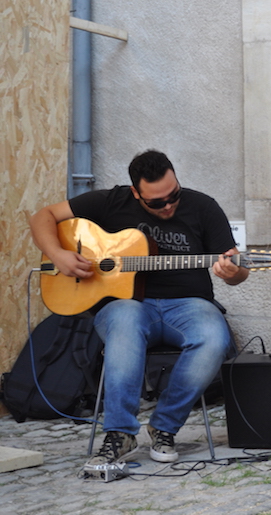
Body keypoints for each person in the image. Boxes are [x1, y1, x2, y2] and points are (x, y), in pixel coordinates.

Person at [29, 149, 249, 466]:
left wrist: (235, 271)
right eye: (157, 202)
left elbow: (236, 272)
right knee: (125, 328)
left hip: (188, 305)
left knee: (214, 338)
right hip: (126, 304)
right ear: (136, 192)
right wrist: (58, 254)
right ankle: (120, 433)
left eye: (173, 195)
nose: (169, 205)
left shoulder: (203, 207)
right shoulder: (110, 202)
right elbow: (42, 217)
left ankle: (164, 426)